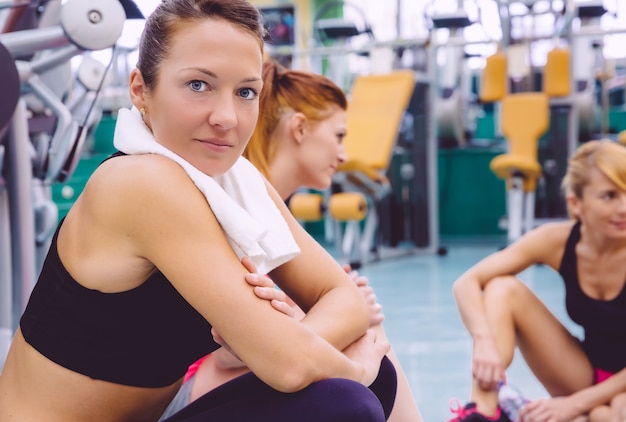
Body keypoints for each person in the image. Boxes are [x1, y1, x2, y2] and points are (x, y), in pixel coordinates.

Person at [0, 1, 399, 421]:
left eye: (245, 92)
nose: (226, 117)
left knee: (371, 382)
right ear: (140, 90)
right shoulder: (140, 182)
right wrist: (345, 366)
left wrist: (288, 340)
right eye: (198, 85)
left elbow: (345, 300)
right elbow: (291, 365)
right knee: (349, 396)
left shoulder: (235, 180)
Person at [160, 60, 423, 422]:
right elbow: (225, 346)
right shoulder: (233, 205)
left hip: (238, 367)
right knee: (363, 341)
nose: (344, 155)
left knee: (365, 332)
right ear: (299, 128)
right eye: (339, 136)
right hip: (194, 383)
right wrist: (315, 317)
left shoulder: (263, 207)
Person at [448, 139, 626, 422]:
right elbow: (467, 283)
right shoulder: (557, 241)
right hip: (586, 372)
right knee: (502, 289)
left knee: (610, 414)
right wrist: (483, 343)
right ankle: (482, 412)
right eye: (609, 196)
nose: (624, 207)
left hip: (619, 390)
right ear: (576, 203)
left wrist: (575, 405)